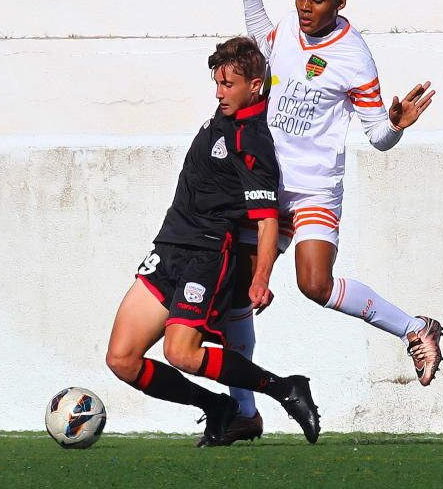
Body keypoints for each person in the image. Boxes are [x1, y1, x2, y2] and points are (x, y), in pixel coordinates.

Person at [208, 0, 443, 446]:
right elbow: (261, 42)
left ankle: (415, 328)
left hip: (314, 188)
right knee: (236, 294)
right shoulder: (289, 31)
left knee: (314, 284)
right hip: (267, 185)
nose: (304, 7)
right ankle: (245, 411)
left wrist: (398, 124)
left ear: (339, 3)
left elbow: (377, 136)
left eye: (315, 0)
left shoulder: (355, 56)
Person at [105, 36, 321, 446]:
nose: (220, 93)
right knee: (121, 359)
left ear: (255, 86)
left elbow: (266, 221)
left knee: (181, 353)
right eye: (217, 83)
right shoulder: (229, 114)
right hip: (168, 247)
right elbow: (261, 46)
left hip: (205, 256)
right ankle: (218, 407)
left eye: (229, 85)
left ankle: (285, 388)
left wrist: (260, 277)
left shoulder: (253, 142)